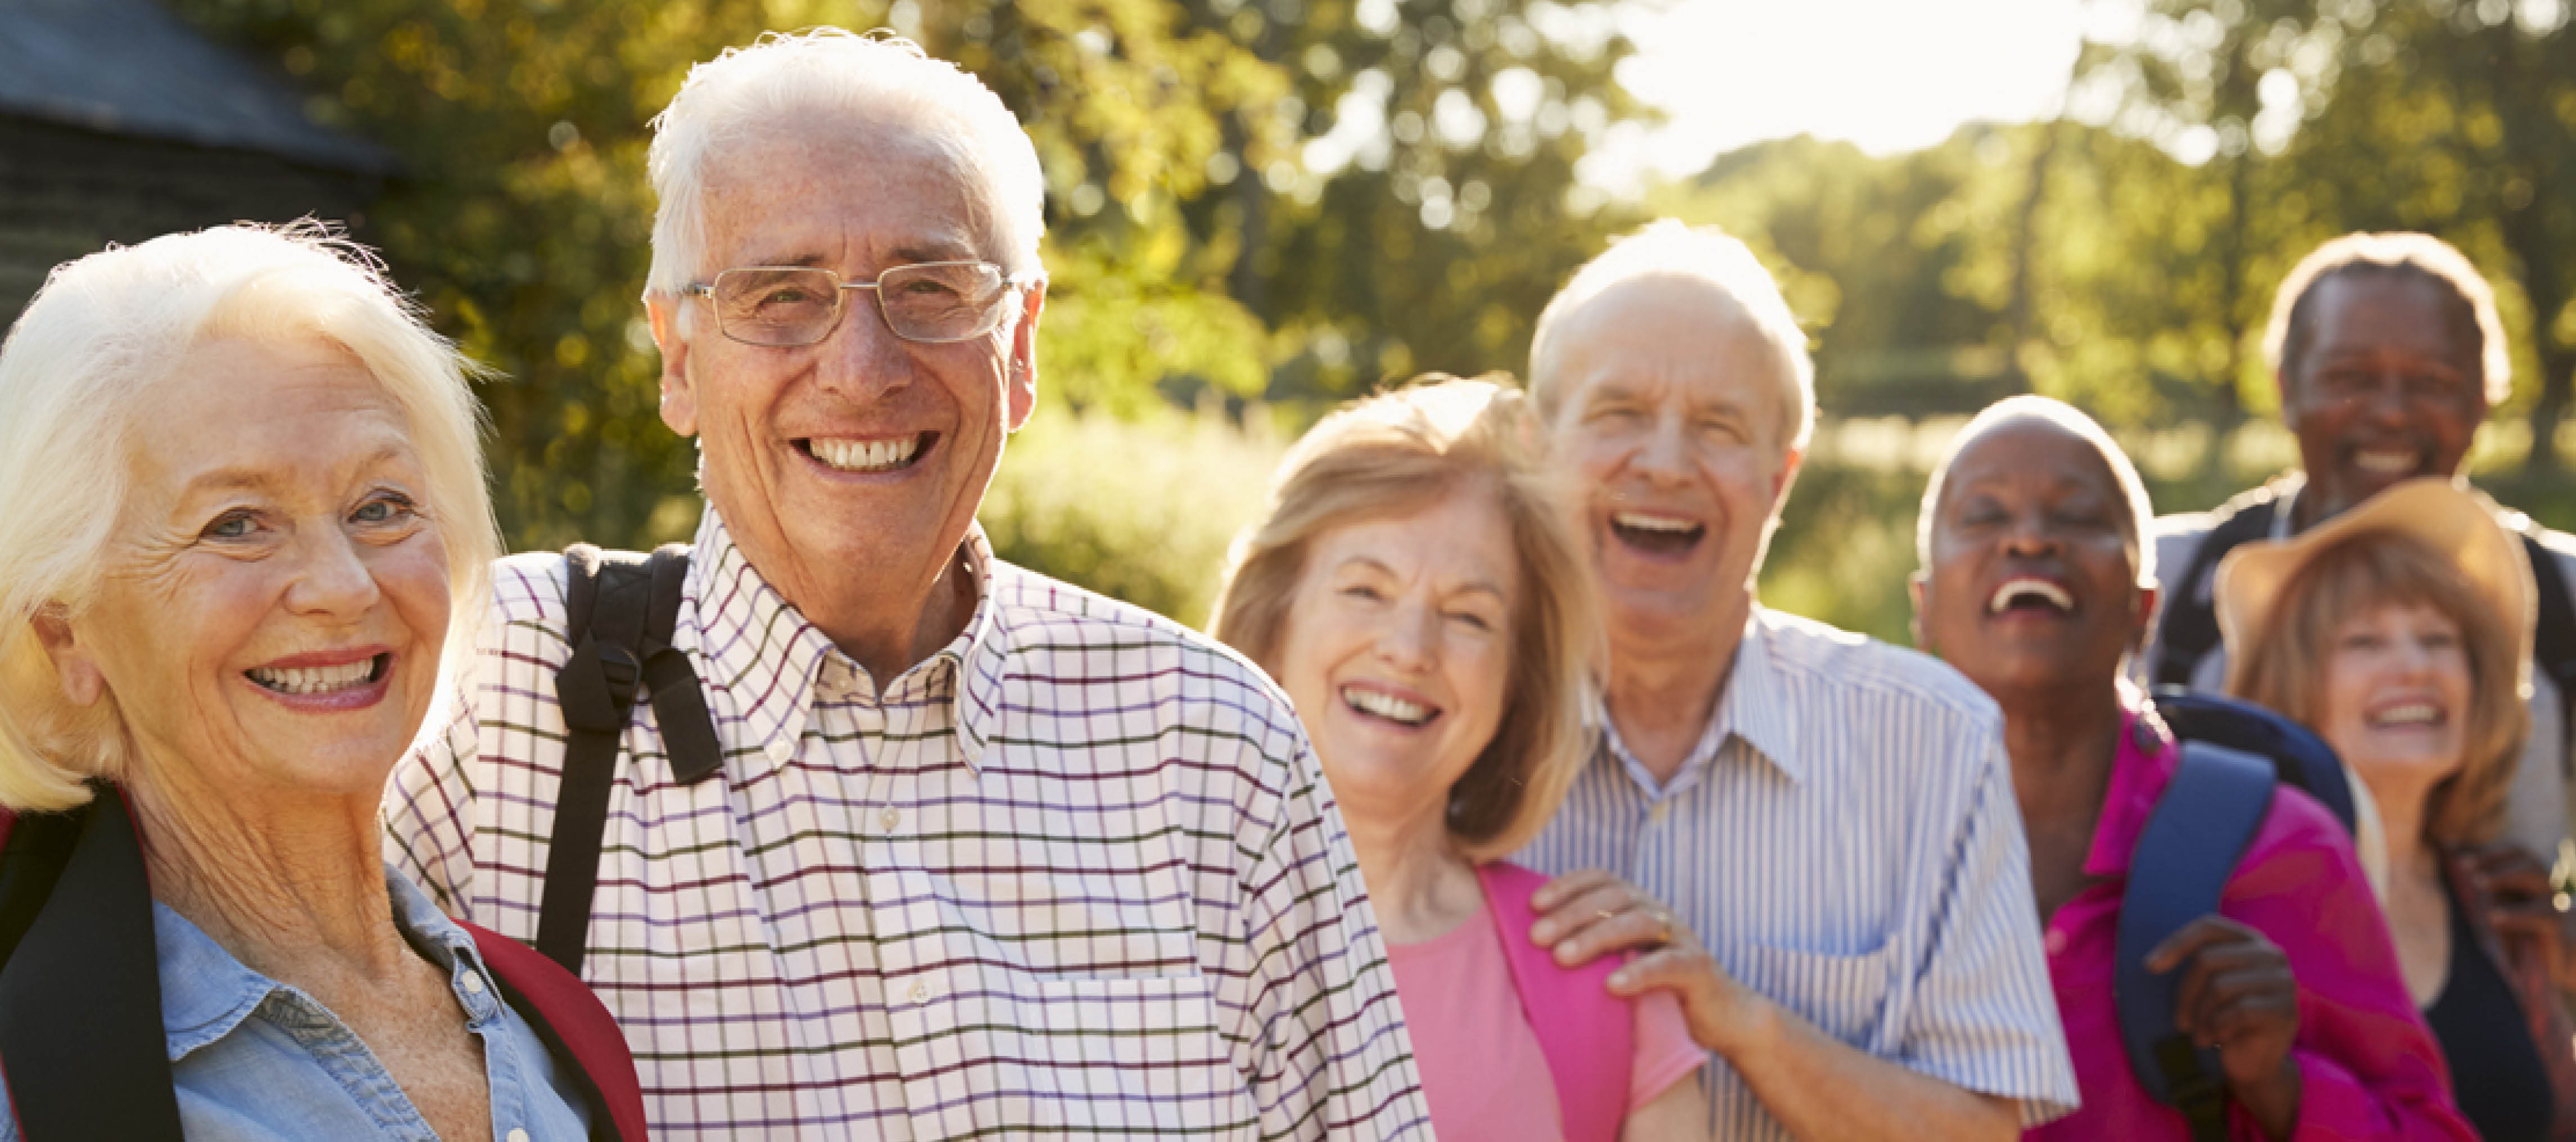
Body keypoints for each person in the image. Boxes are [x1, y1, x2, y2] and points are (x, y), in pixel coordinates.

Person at [382, 29, 1430, 1139]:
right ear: (677, 355)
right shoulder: (476, 696)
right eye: (782, 294)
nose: (861, 367)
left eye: (930, 288)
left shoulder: (1215, 753)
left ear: (1020, 347)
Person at [0, 225, 645, 1140]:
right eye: (236, 524)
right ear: (63, 629)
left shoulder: (559, 1031)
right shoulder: (25, 1088)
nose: (343, 587)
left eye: (381, 507)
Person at [1502, 220, 2080, 1139]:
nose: (1664, 462)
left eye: (1717, 426)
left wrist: (1741, 1020)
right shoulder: (1445, 729)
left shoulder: (1933, 741)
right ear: (1534, 449)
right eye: (1618, 413)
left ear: (1779, 479)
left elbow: (1983, 1130)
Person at [1913, 396, 2474, 1140]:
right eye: (1984, 515)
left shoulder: (2281, 846)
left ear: (2143, 608)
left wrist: (2279, 1083)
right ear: (1922, 607)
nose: (2028, 538)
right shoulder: (1849, 835)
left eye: (2076, 516)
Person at [1210, 376, 1709, 1140]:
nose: (1410, 648)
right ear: (1273, 625)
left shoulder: (1603, 979)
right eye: (1365, 590)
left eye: (1468, 616)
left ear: (1515, 683)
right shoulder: (1124, 924)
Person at [2145, 232, 2576, 869]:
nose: (2392, 413)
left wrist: (2560, 926)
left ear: (2482, 397)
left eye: (2432, 381)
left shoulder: (2565, 599)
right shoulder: (2160, 584)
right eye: (2349, 377)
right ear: (2285, 389)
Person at [2220, 477, 2576, 1141]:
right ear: (2290, 683)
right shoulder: (2235, 899)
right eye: (2364, 642)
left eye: (2438, 640)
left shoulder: (2499, 906)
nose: (2414, 667)